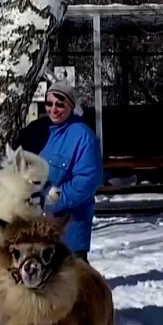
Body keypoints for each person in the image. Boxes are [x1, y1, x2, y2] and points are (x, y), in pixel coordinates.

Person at [17, 81, 103, 261]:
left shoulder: (83, 136)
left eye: (60, 104)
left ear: (71, 106)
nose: (53, 109)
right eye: (49, 103)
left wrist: (53, 200)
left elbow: (87, 180)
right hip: (37, 225)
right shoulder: (37, 130)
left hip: (70, 227)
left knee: (73, 279)